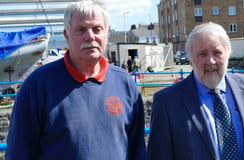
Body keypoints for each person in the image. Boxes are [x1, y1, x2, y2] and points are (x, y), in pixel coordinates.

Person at [5, 0, 146, 159]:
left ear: (107, 32)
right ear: (67, 35)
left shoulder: (125, 84)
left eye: (97, 29)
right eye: (81, 29)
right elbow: (19, 152)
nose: (90, 36)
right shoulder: (38, 86)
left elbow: (137, 150)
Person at [147, 22, 244, 160]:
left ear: (227, 55)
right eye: (202, 54)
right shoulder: (167, 102)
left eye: (217, 52)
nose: (211, 61)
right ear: (190, 60)